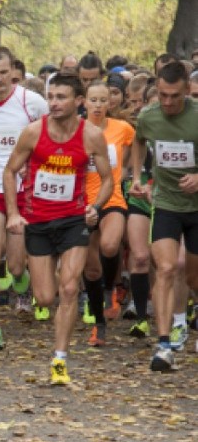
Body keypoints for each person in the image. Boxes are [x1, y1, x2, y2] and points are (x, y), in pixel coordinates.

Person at [3, 71, 113, 385]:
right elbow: (10, 172)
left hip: (73, 220)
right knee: (45, 297)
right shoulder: (33, 133)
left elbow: (107, 179)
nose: (54, 102)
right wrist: (13, 213)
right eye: (51, 96)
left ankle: (60, 360)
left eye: (61, 97)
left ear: (78, 101)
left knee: (68, 288)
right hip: (37, 221)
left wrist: (96, 207)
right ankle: (49, 292)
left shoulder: (91, 135)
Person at [0, 46, 47, 349]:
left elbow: (53, 133)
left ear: (13, 70)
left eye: (4, 72)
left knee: (16, 265)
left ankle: (21, 283)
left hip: (23, 190)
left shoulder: (33, 103)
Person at [130, 59, 198, 371]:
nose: (168, 102)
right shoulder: (149, 116)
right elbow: (138, 141)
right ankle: (163, 344)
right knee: (167, 268)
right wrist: (136, 177)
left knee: (193, 274)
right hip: (166, 203)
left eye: (175, 96)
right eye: (163, 95)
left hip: (196, 207)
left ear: (187, 90)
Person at [82, 80, 135, 345]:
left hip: (112, 198)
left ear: (110, 103)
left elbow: (137, 148)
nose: (99, 105)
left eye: (104, 100)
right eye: (93, 100)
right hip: (83, 203)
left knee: (111, 245)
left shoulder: (122, 129)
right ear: (84, 102)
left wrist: (130, 175)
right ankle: (99, 324)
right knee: (91, 270)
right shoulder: (77, 131)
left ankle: (110, 288)